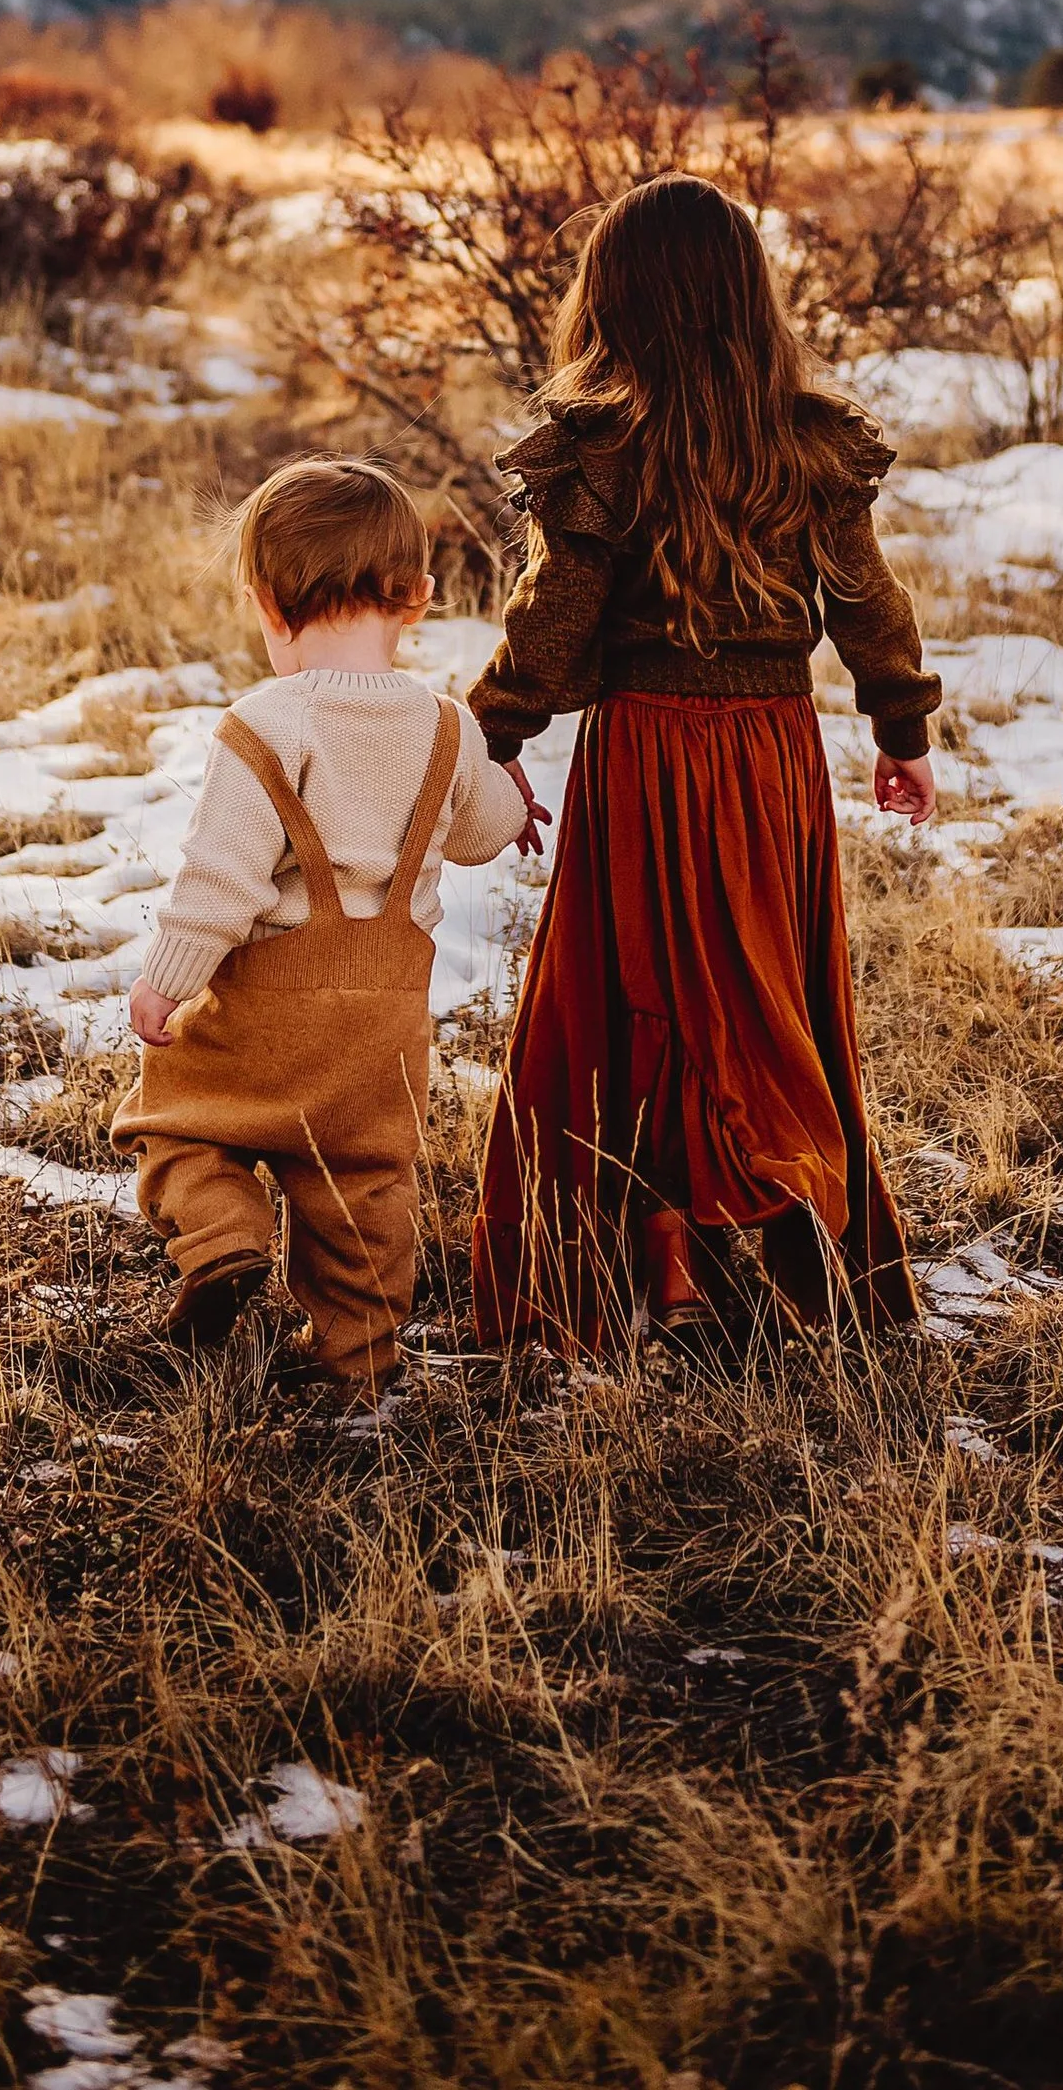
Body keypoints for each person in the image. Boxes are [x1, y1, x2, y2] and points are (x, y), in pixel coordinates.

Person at [467, 175, 939, 1355]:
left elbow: (552, 620)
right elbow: (866, 603)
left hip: (643, 758)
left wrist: (492, 735)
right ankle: (758, 1206)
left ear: (610, 299)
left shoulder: (602, 450)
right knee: (757, 994)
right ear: (749, 295)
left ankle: (679, 1249)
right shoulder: (804, 443)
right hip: (769, 758)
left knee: (649, 997)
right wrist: (900, 730)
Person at [115, 456, 536, 1395]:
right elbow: (481, 835)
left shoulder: (263, 723)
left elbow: (219, 876)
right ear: (420, 596)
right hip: (379, 1032)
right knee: (364, 1190)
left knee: (175, 1117)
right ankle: (360, 1367)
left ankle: (223, 1237)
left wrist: (167, 982)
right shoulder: (446, 726)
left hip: (263, 1014)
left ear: (267, 603)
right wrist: (511, 797)